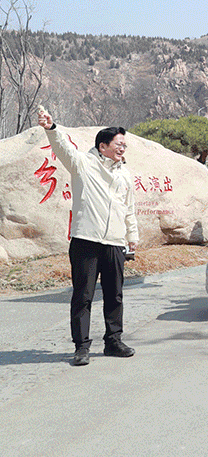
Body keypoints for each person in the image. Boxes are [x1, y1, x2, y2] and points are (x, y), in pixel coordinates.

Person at [38, 109, 138, 366]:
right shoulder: (83, 164)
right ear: (102, 146)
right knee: (83, 295)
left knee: (115, 294)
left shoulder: (124, 174)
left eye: (124, 145)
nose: (122, 149)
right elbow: (63, 149)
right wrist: (52, 129)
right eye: (118, 144)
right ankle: (81, 346)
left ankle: (113, 341)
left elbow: (128, 208)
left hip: (115, 242)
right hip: (86, 240)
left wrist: (132, 236)